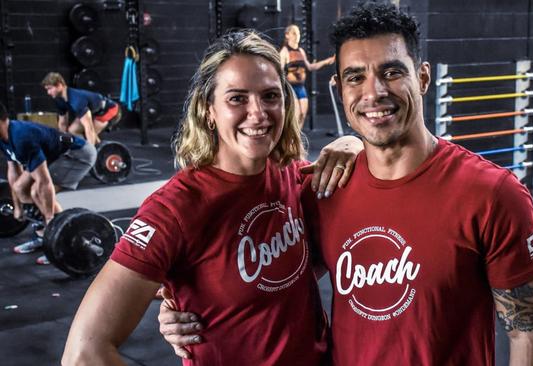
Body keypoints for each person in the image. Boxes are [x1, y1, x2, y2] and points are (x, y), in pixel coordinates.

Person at [159, 3, 533, 366]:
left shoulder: (491, 194)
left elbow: (529, 328)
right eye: (355, 77)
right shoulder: (328, 188)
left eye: (392, 71)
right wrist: (190, 310)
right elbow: (277, 280)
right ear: (340, 88)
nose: (373, 92)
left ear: (422, 77)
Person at [62, 30, 362, 365]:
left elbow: (289, 274)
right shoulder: (174, 209)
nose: (259, 113)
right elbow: (84, 354)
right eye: (237, 98)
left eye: (270, 96)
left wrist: (353, 144)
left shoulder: (292, 174)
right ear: (208, 110)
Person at [0, 102, 96, 264]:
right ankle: (42, 235)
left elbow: (44, 182)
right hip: (55, 155)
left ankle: (62, 243)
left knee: (36, 192)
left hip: (78, 154)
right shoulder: (3, 138)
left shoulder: (21, 137)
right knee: (19, 188)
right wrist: (17, 206)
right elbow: (13, 171)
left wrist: (51, 219)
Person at [279, 24, 335, 129]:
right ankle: (290, 140)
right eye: (294, 33)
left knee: (302, 115)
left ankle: (297, 139)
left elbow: (310, 67)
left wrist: (327, 61)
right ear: (287, 35)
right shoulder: (284, 52)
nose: (297, 35)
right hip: (290, 88)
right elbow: (279, 71)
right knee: (295, 115)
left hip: (301, 87)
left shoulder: (301, 51)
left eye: (298, 33)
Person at [42, 72, 120, 145]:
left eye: (50, 88)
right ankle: (89, 150)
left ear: (59, 85)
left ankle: (95, 154)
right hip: (94, 111)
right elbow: (62, 124)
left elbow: (89, 128)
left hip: (110, 110)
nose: (48, 92)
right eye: (47, 89)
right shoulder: (59, 100)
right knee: (72, 131)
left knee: (90, 134)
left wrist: (90, 155)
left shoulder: (76, 99)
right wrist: (62, 146)